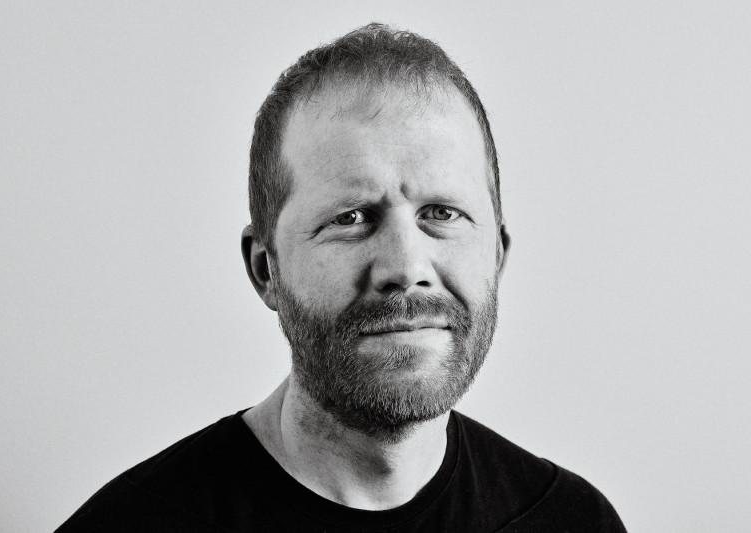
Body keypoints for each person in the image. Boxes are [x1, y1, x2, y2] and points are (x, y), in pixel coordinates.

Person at [57, 23, 626, 532]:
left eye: (442, 213)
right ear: (266, 269)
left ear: (496, 254)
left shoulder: (572, 520)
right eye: (350, 218)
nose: (405, 268)